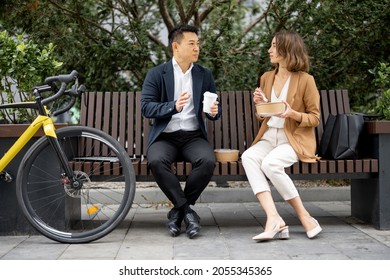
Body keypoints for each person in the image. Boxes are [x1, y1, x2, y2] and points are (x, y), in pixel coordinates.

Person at [141, 24, 221, 239]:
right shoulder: (157, 74)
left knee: (207, 162)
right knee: (156, 161)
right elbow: (146, 107)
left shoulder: (204, 74)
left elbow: (215, 107)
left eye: (198, 44)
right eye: (191, 44)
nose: (197, 48)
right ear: (176, 47)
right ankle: (187, 212)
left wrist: (214, 111)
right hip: (164, 136)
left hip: (192, 136)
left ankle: (177, 211)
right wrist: (172, 106)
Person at [241, 30, 322, 241]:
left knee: (270, 164)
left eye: (275, 46)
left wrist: (292, 113)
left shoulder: (306, 80)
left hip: (293, 140)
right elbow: (263, 116)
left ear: (288, 50)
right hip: (269, 137)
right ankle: (274, 218)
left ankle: (305, 216)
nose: (270, 50)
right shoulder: (266, 77)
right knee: (248, 156)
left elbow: (314, 118)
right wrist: (260, 104)